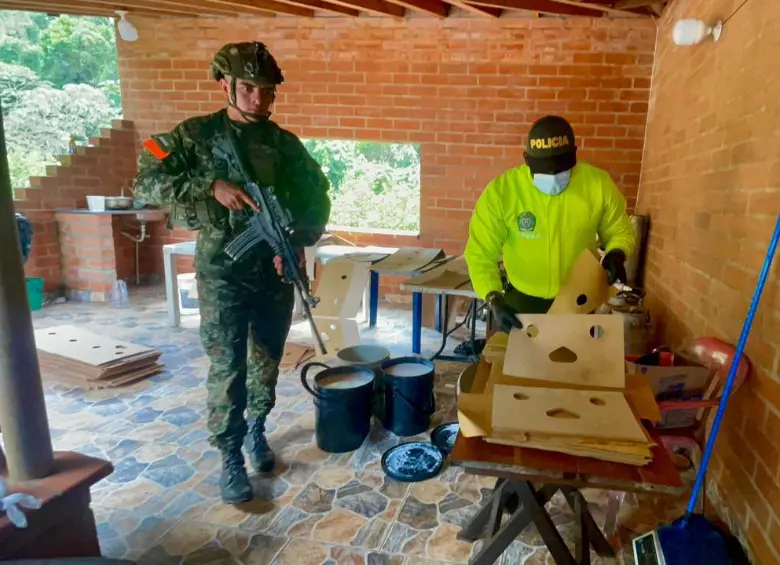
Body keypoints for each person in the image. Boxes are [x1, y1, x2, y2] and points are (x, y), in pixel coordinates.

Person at [132, 42, 331, 505]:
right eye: (248, 89)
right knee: (228, 368)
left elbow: (317, 195)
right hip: (222, 273)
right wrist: (209, 185)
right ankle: (229, 456)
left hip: (273, 273)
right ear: (226, 85)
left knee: (266, 360)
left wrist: (297, 239)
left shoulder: (284, 144)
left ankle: (257, 431)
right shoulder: (195, 136)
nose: (259, 100)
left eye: (267, 92)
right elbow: (146, 181)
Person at [464, 115, 635, 333]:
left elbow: (619, 230)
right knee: (524, 365)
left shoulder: (598, 186)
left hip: (580, 301)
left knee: (577, 364)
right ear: (527, 159)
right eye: (544, 170)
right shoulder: (503, 192)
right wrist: (493, 297)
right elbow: (480, 252)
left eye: (561, 170)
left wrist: (616, 253)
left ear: (574, 155)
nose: (554, 177)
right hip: (522, 302)